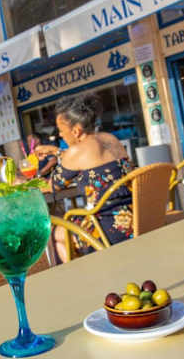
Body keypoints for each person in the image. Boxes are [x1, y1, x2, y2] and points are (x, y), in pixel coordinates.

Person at [35, 95, 133, 262]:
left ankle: (81, 274)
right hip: (135, 214)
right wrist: (56, 151)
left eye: (61, 130)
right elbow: (91, 158)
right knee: (70, 228)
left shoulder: (75, 152)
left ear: (76, 131)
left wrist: (25, 185)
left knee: (54, 234)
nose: (60, 134)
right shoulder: (110, 139)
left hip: (108, 226)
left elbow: (51, 186)